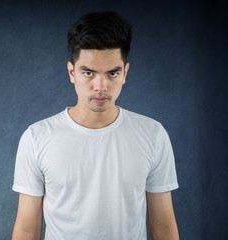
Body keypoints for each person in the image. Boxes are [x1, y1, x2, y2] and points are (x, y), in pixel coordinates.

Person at [11, 11, 180, 240]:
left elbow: (163, 227)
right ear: (72, 72)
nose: (100, 86)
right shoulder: (36, 138)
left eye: (112, 73)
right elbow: (26, 230)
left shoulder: (153, 134)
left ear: (125, 73)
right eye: (88, 73)